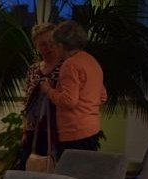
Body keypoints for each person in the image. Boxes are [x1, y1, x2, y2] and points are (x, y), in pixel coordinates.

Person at [38, 20, 106, 155]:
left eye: (54, 45)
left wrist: (48, 90)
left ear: (61, 45)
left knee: (70, 168)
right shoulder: (91, 60)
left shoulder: (70, 65)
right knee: (85, 167)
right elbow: (103, 96)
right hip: (92, 128)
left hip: (74, 131)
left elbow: (69, 101)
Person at [18, 23, 63, 170]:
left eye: (52, 42)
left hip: (57, 130)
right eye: (43, 44)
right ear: (36, 47)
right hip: (33, 129)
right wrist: (25, 130)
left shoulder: (66, 67)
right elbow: (28, 100)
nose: (48, 47)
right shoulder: (33, 69)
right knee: (31, 167)